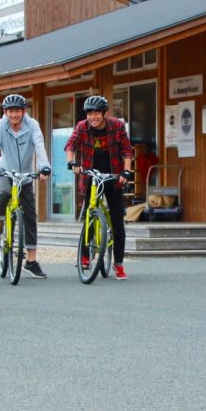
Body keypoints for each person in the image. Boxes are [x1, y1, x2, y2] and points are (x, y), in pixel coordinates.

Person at [0, 94, 51, 278]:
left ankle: (32, 261)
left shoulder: (32, 125)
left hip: (24, 176)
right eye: (10, 111)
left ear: (23, 112)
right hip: (4, 170)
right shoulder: (0, 125)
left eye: (17, 111)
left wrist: (44, 166)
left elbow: (40, 145)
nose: (14, 115)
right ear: (5, 112)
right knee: (3, 192)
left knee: (30, 215)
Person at [64, 95, 134, 280]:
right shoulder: (82, 127)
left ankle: (118, 264)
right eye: (90, 114)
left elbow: (127, 150)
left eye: (96, 113)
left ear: (104, 113)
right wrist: (72, 163)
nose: (93, 117)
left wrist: (126, 172)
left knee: (118, 222)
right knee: (89, 213)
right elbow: (70, 145)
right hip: (90, 176)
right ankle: (85, 255)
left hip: (113, 176)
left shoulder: (117, 126)